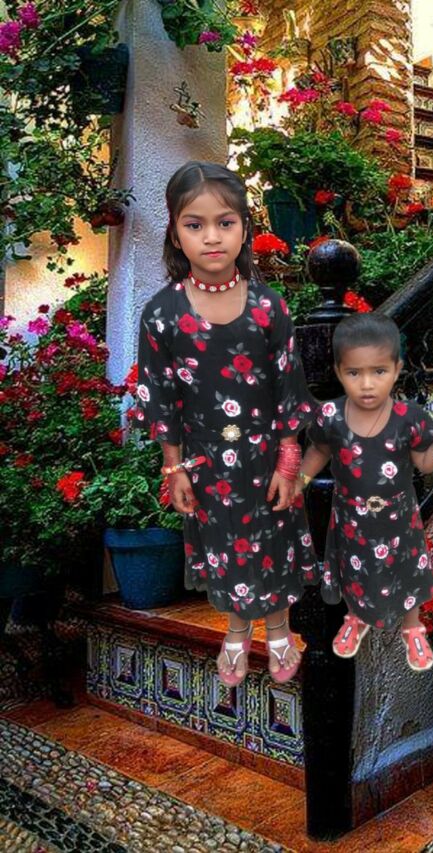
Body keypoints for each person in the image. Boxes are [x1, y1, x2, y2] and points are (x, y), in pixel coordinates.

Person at [136, 161, 318, 687]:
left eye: (225, 223)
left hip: (267, 455)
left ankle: (278, 630)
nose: (212, 237)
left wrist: (289, 458)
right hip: (206, 460)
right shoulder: (162, 314)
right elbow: (159, 396)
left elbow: (288, 385)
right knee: (227, 546)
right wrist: (174, 468)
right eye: (195, 225)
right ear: (176, 233)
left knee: (273, 539)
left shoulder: (268, 307)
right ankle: (237, 633)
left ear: (244, 228)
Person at [296, 313, 433, 672]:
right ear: (339, 372)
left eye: (378, 371)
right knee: (355, 572)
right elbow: (318, 450)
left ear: (396, 370)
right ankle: (356, 618)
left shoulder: (409, 418)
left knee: (407, 573)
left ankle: (413, 629)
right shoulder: (332, 416)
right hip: (351, 517)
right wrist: (298, 481)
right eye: (354, 373)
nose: (367, 384)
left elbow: (425, 462)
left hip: (398, 516)